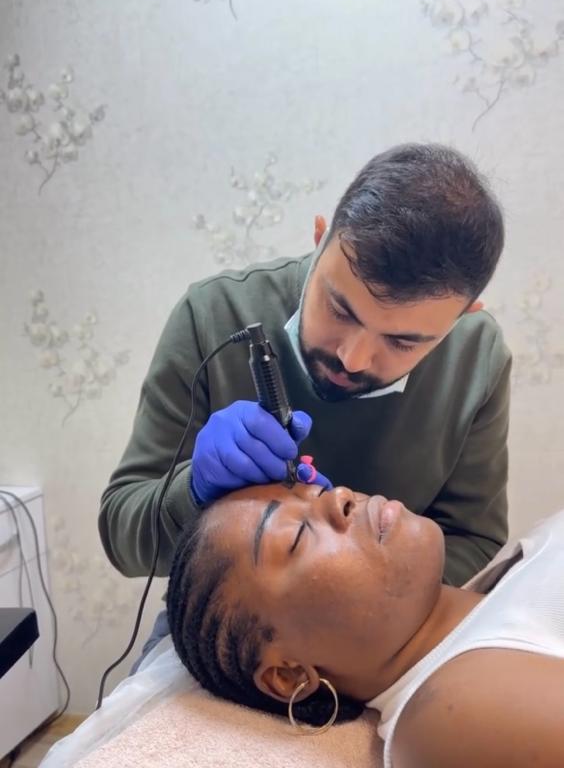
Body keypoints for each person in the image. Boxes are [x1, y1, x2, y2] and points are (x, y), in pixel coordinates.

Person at [98, 143, 510, 660]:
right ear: (320, 240)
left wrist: (360, 605)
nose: (353, 358)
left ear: (464, 315)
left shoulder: (478, 357)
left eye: (402, 342)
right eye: (340, 309)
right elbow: (122, 539)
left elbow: (475, 541)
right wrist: (194, 490)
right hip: (240, 632)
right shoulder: (213, 315)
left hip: (393, 636)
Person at [166, 481, 564, 768]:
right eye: (298, 535)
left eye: (315, 492)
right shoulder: (446, 716)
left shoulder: (502, 584)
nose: (339, 495)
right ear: (290, 676)